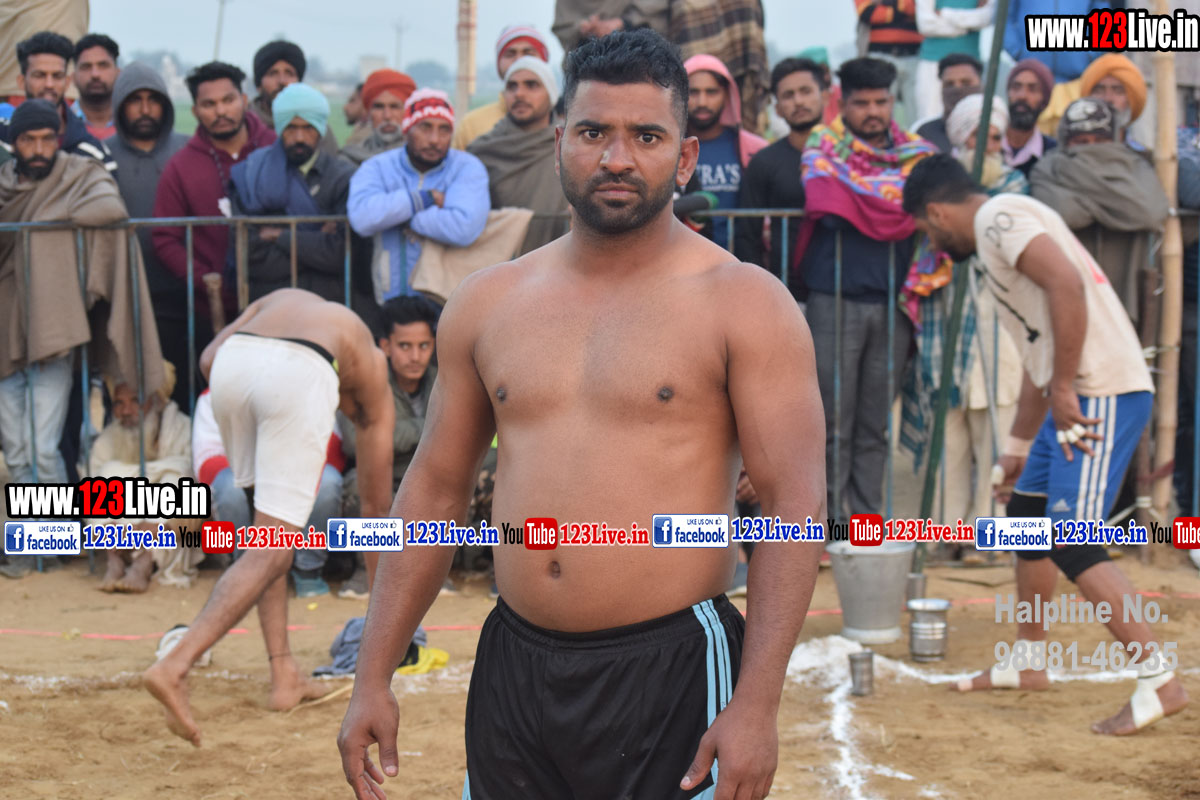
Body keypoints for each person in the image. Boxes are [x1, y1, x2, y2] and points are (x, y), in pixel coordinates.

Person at [337, 28, 825, 800]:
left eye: (647, 137)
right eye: (595, 132)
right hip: (514, 666)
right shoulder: (488, 303)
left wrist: (758, 704)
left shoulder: (744, 303)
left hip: (672, 668)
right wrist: (373, 674)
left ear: (685, 158)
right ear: (560, 140)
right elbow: (433, 491)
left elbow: (793, 507)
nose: (617, 158)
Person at [903, 153, 1190, 734]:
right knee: (1026, 516)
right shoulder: (999, 233)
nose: (932, 243)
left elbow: (1066, 284)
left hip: (1097, 393)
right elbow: (1042, 354)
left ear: (936, 212)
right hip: (1079, 391)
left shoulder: (998, 218)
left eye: (926, 231)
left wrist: (1063, 386)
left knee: (1073, 541)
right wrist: (1016, 447)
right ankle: (1029, 659)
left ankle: (1159, 677)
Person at [144, 288, 394, 747]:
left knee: (266, 537)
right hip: (299, 371)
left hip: (231, 368)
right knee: (275, 551)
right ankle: (176, 664)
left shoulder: (284, 299)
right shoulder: (373, 370)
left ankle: (284, 675)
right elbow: (376, 513)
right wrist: (384, 631)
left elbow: (208, 359)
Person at [0, 100, 164, 579]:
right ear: (15, 143)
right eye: (28, 140)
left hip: (53, 329)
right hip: (4, 330)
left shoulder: (77, 174)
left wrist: (44, 220)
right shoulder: (4, 184)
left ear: (57, 138)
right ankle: (30, 546)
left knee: (44, 447)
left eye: (46, 139)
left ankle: (50, 546)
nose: (38, 149)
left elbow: (110, 208)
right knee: (17, 452)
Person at [794, 56, 931, 520]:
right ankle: (829, 527)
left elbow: (923, 202)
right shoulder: (823, 146)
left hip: (894, 304)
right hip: (834, 301)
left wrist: (858, 200)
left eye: (881, 102)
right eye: (862, 103)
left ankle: (869, 525)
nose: (873, 112)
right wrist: (887, 203)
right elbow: (827, 204)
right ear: (843, 103)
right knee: (831, 423)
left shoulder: (917, 155)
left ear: (893, 101)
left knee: (875, 424)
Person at [900, 93, 1024, 529]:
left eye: (995, 137)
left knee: (997, 436)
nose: (987, 145)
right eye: (977, 136)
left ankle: (992, 534)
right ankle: (947, 531)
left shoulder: (1013, 193)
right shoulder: (937, 196)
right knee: (947, 439)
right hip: (945, 330)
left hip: (997, 334)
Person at [152, 62, 275, 357]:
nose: (221, 111)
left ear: (244, 100)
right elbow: (164, 236)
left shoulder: (275, 149)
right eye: (209, 104)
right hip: (212, 313)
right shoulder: (181, 166)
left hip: (278, 302)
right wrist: (206, 281)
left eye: (228, 100)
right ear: (195, 110)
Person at [191, 388, 346, 597]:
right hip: (247, 480)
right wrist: (262, 471)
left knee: (328, 480)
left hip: (298, 476)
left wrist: (284, 469)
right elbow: (207, 464)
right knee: (227, 485)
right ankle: (244, 573)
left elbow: (333, 450)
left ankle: (308, 571)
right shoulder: (217, 391)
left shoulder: (309, 382)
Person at [1030, 97, 1167, 324]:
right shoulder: (1047, 168)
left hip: (1123, 293)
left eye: (1100, 141)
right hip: (1067, 295)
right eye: (1081, 142)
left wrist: (1079, 186)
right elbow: (1067, 214)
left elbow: (1148, 212)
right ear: (1065, 143)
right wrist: (1116, 198)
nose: (1092, 151)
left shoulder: (1136, 166)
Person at [339, 295, 440, 597]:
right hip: (382, 477)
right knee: (357, 486)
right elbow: (354, 442)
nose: (415, 356)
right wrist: (431, 428)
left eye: (424, 346)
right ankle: (366, 572)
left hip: (427, 479)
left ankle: (436, 573)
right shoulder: (365, 381)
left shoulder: (444, 381)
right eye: (405, 346)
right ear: (385, 346)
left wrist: (392, 434)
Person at [347, 89, 489, 303]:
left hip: (447, 298)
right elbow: (362, 218)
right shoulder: (377, 167)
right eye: (425, 127)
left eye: (444, 130)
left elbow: (463, 227)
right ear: (407, 130)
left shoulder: (466, 167)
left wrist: (399, 215)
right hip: (390, 295)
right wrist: (424, 199)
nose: (434, 140)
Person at [108, 62, 190, 409]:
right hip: (123, 298)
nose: (144, 109)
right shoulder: (102, 156)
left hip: (181, 295)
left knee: (181, 395)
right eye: (135, 100)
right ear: (120, 105)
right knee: (125, 400)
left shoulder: (187, 151)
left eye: (153, 100)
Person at [230, 83, 356, 302]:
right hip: (269, 302)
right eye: (291, 128)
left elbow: (339, 255)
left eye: (308, 128)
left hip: (327, 304)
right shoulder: (252, 175)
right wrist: (315, 243)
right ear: (280, 128)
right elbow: (251, 257)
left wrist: (279, 236)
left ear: (321, 129)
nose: (299, 137)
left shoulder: (342, 178)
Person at [93, 364, 202, 592]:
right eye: (119, 403)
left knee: (178, 476)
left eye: (136, 401)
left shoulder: (183, 429)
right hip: (120, 534)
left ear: (156, 401)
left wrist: (153, 526)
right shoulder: (107, 440)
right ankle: (114, 560)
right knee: (106, 475)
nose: (126, 411)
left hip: (167, 531)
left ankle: (145, 562)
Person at [735, 56, 826, 283]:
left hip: (840, 287)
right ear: (777, 109)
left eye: (806, 91)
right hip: (786, 288)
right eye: (788, 95)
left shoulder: (848, 157)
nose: (798, 101)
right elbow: (747, 234)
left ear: (824, 96)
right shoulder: (764, 162)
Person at [469, 56, 568, 255]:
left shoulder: (569, 148)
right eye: (512, 87)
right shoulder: (481, 152)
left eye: (531, 85)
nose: (519, 94)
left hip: (561, 261)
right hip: (497, 264)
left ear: (551, 94)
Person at [683, 53, 767, 251]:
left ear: (727, 95)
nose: (702, 102)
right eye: (693, 92)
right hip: (683, 259)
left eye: (711, 92)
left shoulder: (755, 149)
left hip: (739, 259)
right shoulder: (667, 147)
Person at [0, 31, 116, 173]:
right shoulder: (2, 138)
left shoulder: (94, 155)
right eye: (39, 75)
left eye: (57, 76)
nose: (49, 84)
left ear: (67, 82)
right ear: (21, 81)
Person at [452, 24, 551, 151]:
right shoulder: (471, 125)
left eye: (528, 53)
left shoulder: (565, 121)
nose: (519, 60)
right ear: (498, 64)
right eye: (510, 54)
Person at [246, 40, 337, 155]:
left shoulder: (316, 126)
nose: (282, 81)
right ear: (259, 84)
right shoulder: (244, 126)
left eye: (289, 73)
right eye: (273, 74)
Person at [913, 0, 992, 122]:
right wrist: (965, 29)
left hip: (970, 66)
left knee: (973, 117)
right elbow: (926, 25)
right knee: (929, 117)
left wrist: (945, 14)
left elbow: (986, 17)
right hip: (932, 64)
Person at [855, 0, 922, 126]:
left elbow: (918, 9)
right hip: (879, 58)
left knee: (917, 114)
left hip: (915, 57)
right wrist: (903, 8)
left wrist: (887, 4)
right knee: (880, 110)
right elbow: (868, 13)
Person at [338, 69, 416, 167]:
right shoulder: (349, 159)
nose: (387, 116)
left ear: (408, 111)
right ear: (368, 112)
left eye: (394, 107)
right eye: (379, 107)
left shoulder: (422, 159)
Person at [912, 52, 982, 153]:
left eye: (966, 83)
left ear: (981, 85)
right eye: (950, 84)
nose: (957, 90)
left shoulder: (997, 129)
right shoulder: (925, 133)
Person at [1079, 54, 1148, 150]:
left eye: (1118, 91)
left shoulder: (1143, 157)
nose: (1108, 99)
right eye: (1099, 90)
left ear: (1130, 100)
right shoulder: (1070, 152)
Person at [1003, 58, 1058, 179]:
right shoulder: (986, 144)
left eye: (1032, 89)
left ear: (1044, 99)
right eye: (1016, 87)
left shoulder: (1053, 154)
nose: (1022, 96)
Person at [551, 0, 669, 53]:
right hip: (585, 67)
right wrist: (583, 28)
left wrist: (622, 23)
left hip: (642, 59)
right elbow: (563, 27)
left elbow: (657, 13)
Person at [71, 33, 119, 140]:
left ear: (118, 73)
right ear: (73, 77)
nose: (95, 74)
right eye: (86, 67)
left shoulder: (134, 122)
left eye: (103, 65)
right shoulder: (61, 123)